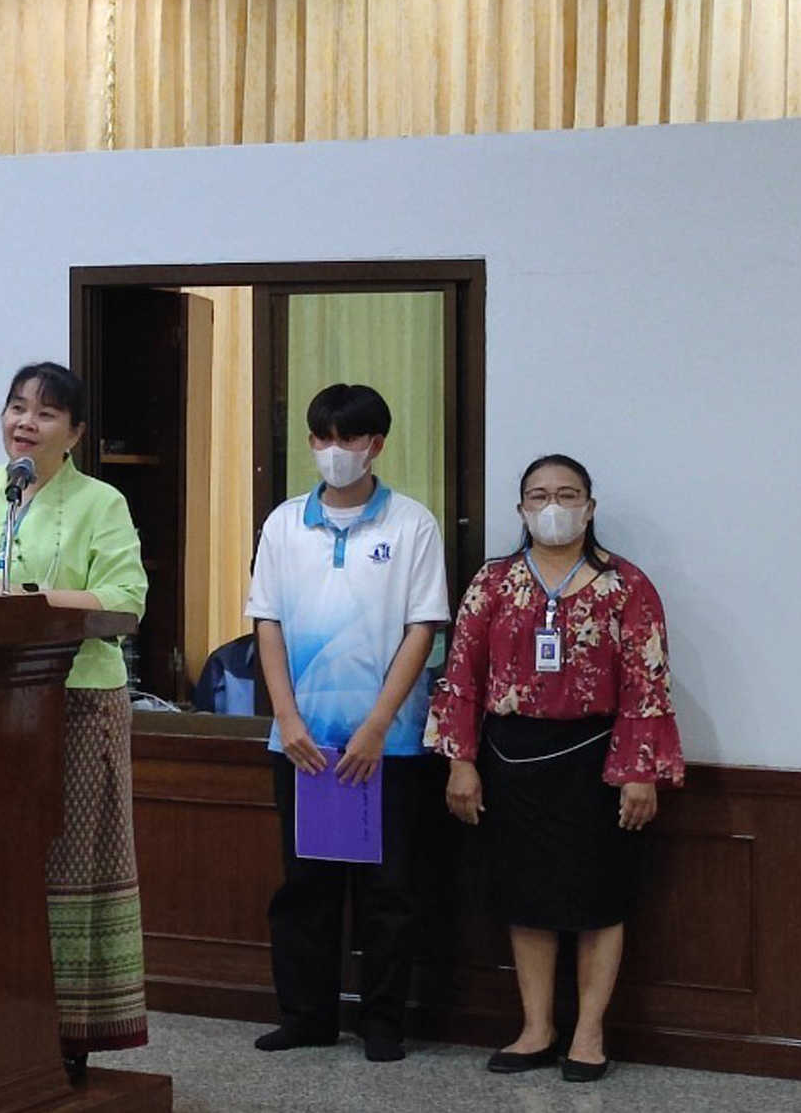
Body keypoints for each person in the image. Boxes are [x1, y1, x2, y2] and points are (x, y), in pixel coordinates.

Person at [0, 361, 150, 1077]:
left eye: (45, 414)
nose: (25, 423)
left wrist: (32, 600)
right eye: (16, 407)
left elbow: (125, 600)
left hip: (73, 703)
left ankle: (66, 1031)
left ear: (73, 432)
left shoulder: (101, 501)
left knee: (66, 862)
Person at [426, 453, 684, 1083]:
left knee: (598, 899)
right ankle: (536, 1027)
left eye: (568, 495)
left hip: (597, 761)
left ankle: (589, 1032)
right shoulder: (492, 584)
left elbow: (646, 682)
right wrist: (462, 762)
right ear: (521, 510)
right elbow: (460, 677)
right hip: (511, 760)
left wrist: (640, 769)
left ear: (590, 508)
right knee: (527, 897)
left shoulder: (626, 585)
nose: (553, 507)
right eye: (539, 496)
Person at [247, 383, 449, 1063]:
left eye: (350, 438)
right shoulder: (282, 524)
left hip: (386, 743)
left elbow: (423, 627)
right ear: (311, 443)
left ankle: (384, 1023)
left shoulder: (412, 524)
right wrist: (287, 717)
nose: (336, 451)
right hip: (302, 742)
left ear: (377, 445)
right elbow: (266, 621)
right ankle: (306, 1014)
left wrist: (378, 724)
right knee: (305, 884)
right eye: (324, 437)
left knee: (388, 890)